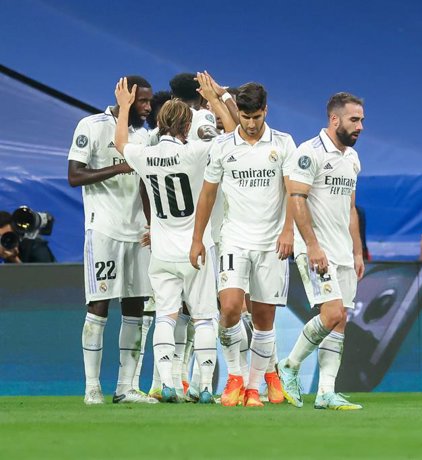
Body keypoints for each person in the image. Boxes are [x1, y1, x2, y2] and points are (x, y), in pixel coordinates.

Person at [113, 75, 235, 403]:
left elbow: (121, 143)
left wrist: (124, 108)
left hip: (162, 249)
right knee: (204, 316)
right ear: (185, 127)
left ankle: (167, 383)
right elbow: (233, 135)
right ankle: (205, 385)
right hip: (197, 246)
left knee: (165, 315)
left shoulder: (146, 155)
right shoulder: (196, 152)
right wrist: (217, 97)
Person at [190, 81, 295, 408]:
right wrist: (197, 239)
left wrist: (289, 231)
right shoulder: (223, 145)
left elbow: (293, 191)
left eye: (256, 116)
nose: (250, 123)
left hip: (271, 242)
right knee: (232, 308)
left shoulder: (284, 143)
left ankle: (252, 388)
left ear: (266, 110)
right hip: (234, 238)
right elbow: (207, 194)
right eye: (246, 116)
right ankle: (235, 375)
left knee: (264, 320)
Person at [67, 75, 158, 405]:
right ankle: (92, 385)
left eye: (150, 101)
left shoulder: (144, 137)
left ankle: (125, 386)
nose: (148, 107)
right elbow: (74, 175)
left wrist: (153, 224)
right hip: (103, 229)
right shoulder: (91, 126)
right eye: (143, 101)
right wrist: (117, 169)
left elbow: (147, 185)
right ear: (127, 100)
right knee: (99, 306)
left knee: (136, 307)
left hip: (138, 233)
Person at [277, 92, 365, 410]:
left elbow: (351, 208)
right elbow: (296, 197)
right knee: (332, 314)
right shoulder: (308, 153)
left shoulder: (352, 159)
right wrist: (312, 246)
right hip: (316, 249)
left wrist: (357, 251)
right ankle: (290, 365)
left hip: (342, 251)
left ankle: (326, 392)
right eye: (354, 120)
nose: (360, 126)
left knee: (340, 322)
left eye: (362, 120)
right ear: (334, 119)